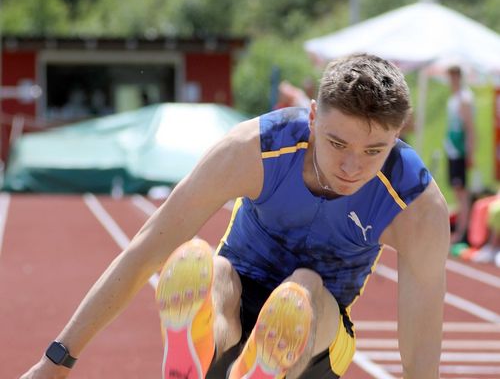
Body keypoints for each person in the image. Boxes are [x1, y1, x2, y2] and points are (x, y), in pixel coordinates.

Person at [21, 53, 449, 379]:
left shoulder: (417, 206)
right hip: (235, 292)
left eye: (374, 151)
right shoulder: (254, 149)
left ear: (399, 135)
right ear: (313, 117)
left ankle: (255, 360)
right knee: (213, 271)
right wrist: (55, 360)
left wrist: (57, 363)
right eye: (338, 144)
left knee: (304, 288)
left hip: (316, 334)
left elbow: (421, 340)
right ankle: (213, 348)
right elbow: (148, 247)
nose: (352, 167)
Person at [444, 65, 476, 245]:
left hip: (460, 151)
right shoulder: (454, 98)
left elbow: (470, 128)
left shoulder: (464, 98)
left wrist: (470, 153)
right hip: (452, 150)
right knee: (457, 192)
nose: (452, 81)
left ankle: (463, 232)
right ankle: (460, 229)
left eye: (454, 77)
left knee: (462, 193)